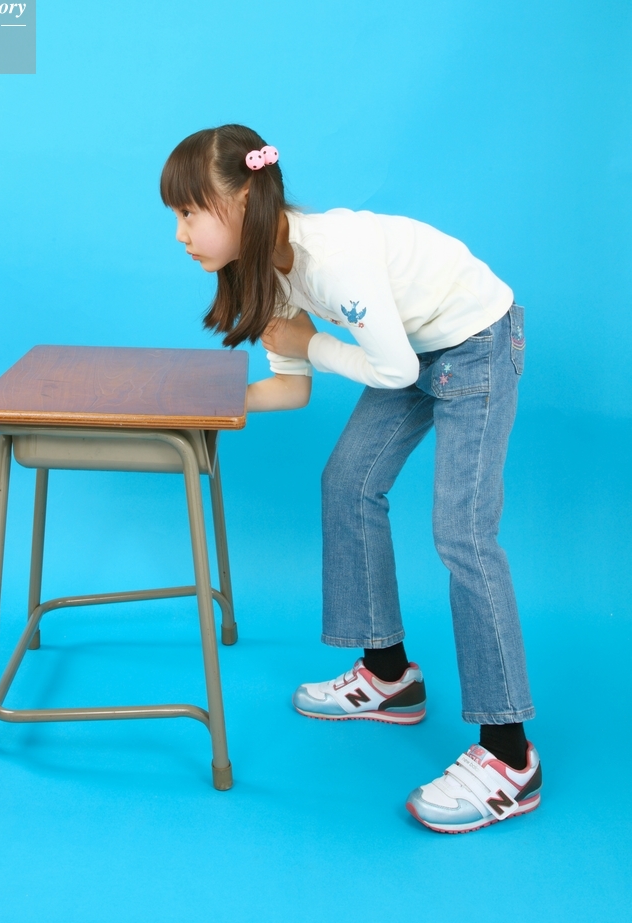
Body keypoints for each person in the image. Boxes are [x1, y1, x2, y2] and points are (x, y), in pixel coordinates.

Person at [160, 123, 542, 833]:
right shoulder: (270, 269)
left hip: (474, 342)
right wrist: (203, 403)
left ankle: (509, 755)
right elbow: (290, 387)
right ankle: (390, 676)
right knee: (347, 483)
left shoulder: (331, 260)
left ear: (242, 201)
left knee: (463, 533)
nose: (180, 233)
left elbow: (391, 370)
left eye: (189, 212)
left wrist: (312, 342)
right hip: (411, 347)